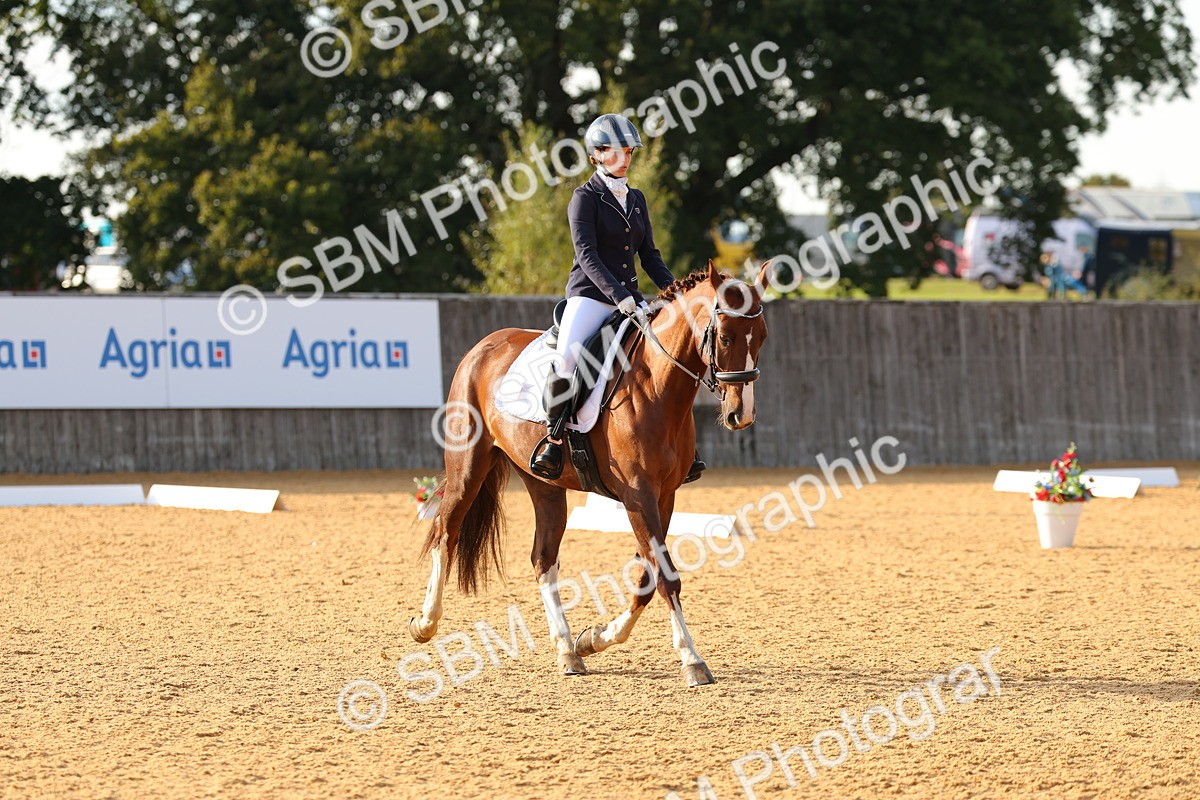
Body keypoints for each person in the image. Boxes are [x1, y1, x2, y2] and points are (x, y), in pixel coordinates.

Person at [530, 114, 706, 483]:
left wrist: (680, 296)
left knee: (667, 358)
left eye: (628, 151)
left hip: (632, 299)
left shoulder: (637, 199)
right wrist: (620, 295)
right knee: (568, 357)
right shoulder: (584, 198)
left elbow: (650, 256)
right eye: (614, 152)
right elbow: (587, 255)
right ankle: (555, 438)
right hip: (591, 297)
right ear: (596, 155)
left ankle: (682, 448)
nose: (623, 158)